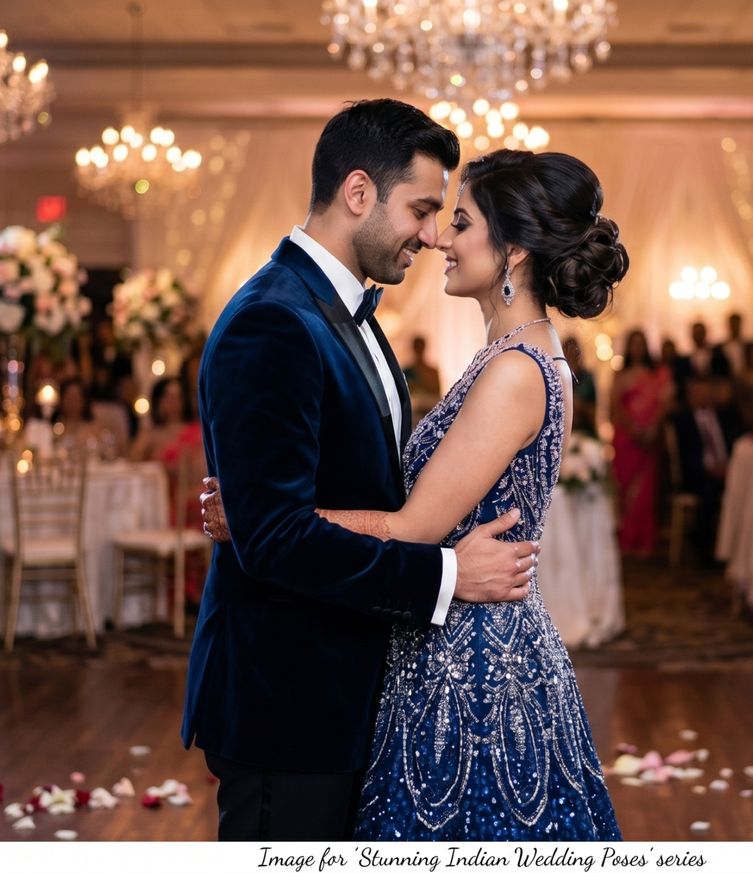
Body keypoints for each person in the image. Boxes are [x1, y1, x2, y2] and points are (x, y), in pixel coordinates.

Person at [181, 100, 545, 842]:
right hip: (287, 699)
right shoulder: (272, 320)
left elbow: (340, 497)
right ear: (357, 193)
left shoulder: (353, 315)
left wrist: (255, 516)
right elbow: (277, 540)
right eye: (419, 208)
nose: (431, 233)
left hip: (347, 691)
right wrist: (447, 574)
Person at [670, 373, 744, 562]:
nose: (703, 396)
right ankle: (704, 548)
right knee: (709, 489)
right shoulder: (682, 420)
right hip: (698, 475)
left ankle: (741, 546)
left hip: (728, 472)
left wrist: (729, 468)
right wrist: (711, 468)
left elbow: (737, 444)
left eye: (706, 391)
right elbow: (685, 455)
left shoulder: (727, 417)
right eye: (698, 392)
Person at [611, 329, 670, 556]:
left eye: (640, 343)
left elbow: (664, 401)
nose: (637, 347)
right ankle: (628, 538)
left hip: (650, 437)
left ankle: (645, 539)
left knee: (647, 489)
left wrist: (652, 427)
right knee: (626, 486)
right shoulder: (621, 373)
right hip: (627, 437)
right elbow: (615, 404)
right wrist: (633, 428)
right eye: (633, 343)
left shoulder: (656, 374)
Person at [128, 377, 200, 463]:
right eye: (168, 397)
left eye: (178, 397)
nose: (173, 402)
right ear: (158, 401)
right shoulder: (151, 433)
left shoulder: (197, 431)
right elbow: (132, 461)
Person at [53, 377, 111, 454]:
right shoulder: (55, 428)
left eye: (76, 398)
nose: (72, 404)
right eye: (68, 398)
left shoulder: (95, 429)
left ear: (84, 401)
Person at [562, 336, 598, 437]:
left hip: (584, 430)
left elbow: (593, 406)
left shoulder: (587, 377)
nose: (572, 356)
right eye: (569, 353)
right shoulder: (557, 376)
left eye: (574, 353)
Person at [401, 334, 443, 420]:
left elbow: (437, 393)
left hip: (430, 408)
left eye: (421, 347)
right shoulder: (407, 372)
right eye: (417, 347)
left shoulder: (432, 371)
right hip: (414, 411)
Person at [712, 312, 752, 380]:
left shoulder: (748, 346)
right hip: (726, 380)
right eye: (732, 324)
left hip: (745, 379)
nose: (734, 327)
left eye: (736, 324)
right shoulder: (720, 347)